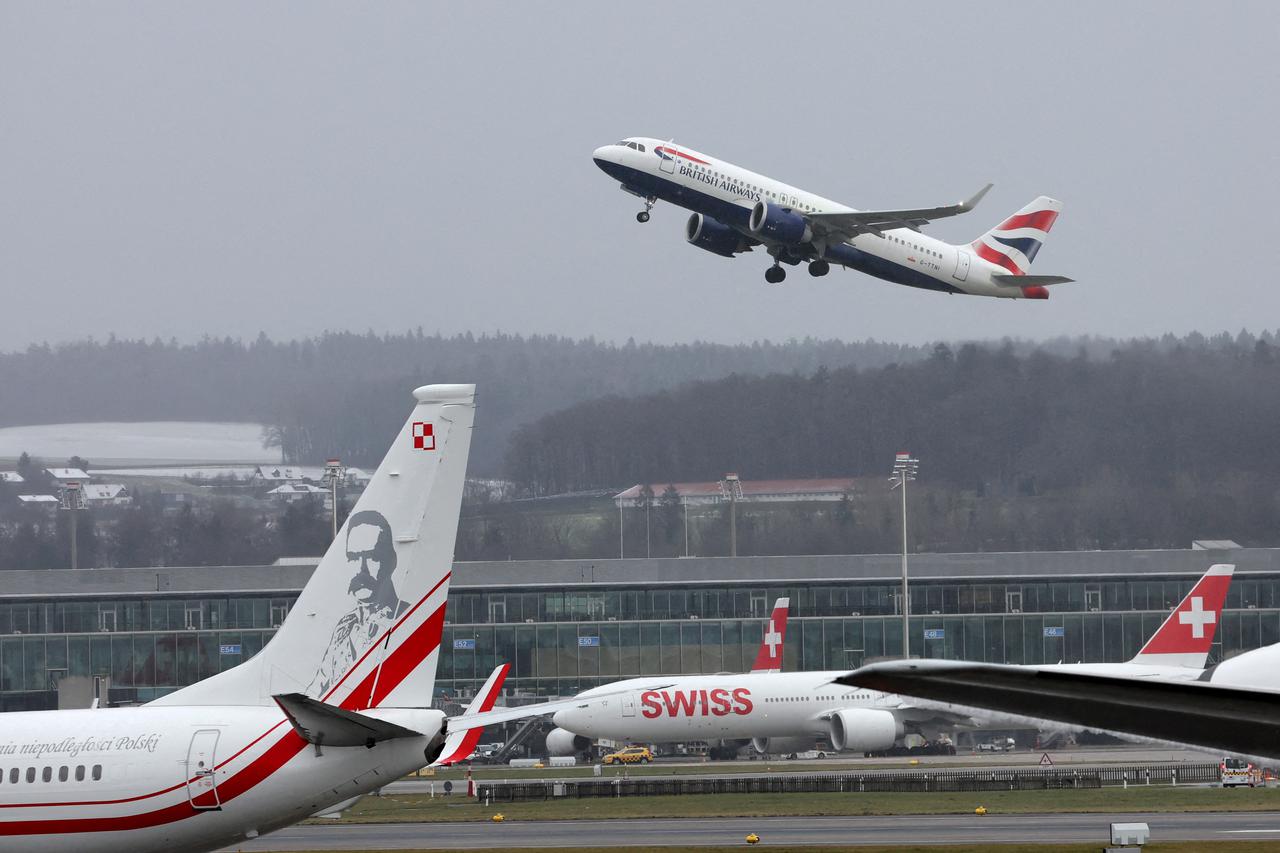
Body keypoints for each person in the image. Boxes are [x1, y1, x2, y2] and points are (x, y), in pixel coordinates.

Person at [307, 510, 408, 696]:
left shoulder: (405, 620)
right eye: (354, 557)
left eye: (372, 557)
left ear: (391, 561)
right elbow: (317, 688)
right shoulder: (345, 627)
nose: (362, 569)